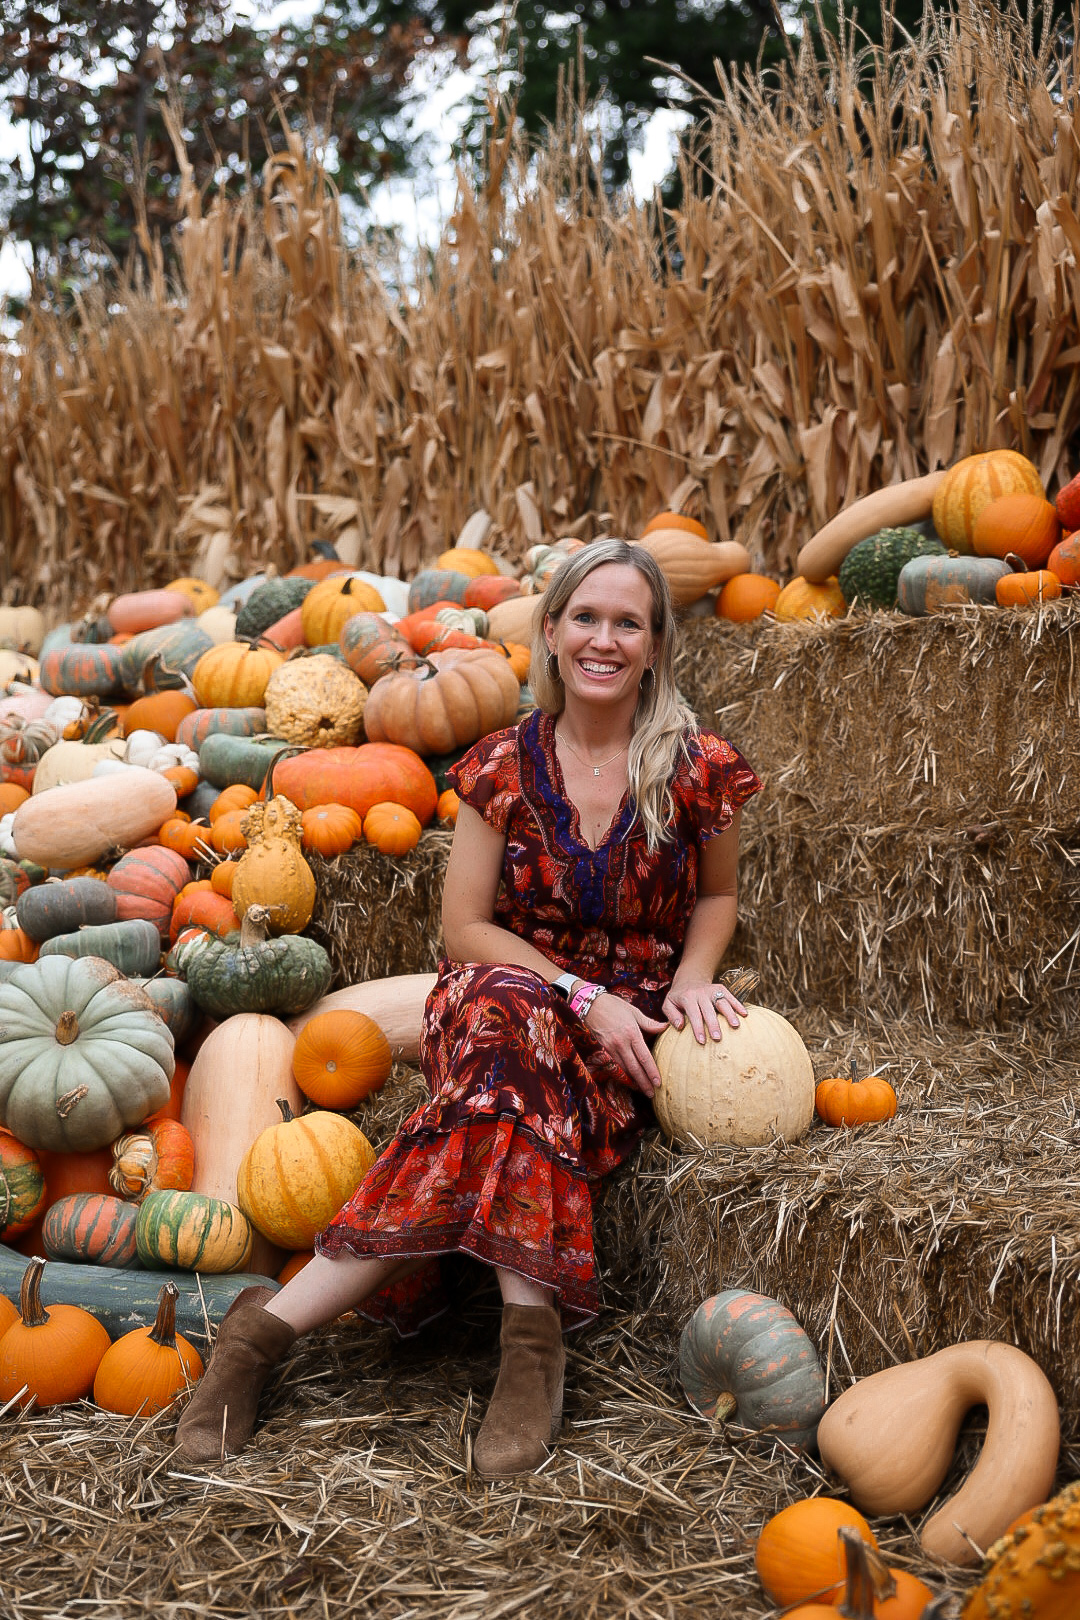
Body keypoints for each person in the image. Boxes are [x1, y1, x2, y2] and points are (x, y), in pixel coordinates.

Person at [175, 536, 762, 1477]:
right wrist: (579, 992)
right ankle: (532, 1343)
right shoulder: (501, 763)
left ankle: (263, 1329)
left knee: (487, 1106)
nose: (604, 638)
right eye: (586, 617)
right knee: (501, 1006)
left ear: (656, 645)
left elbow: (720, 898)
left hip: (623, 1033)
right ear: (553, 632)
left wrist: (691, 977)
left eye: (629, 622)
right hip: (507, 994)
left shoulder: (696, 766)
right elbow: (464, 929)